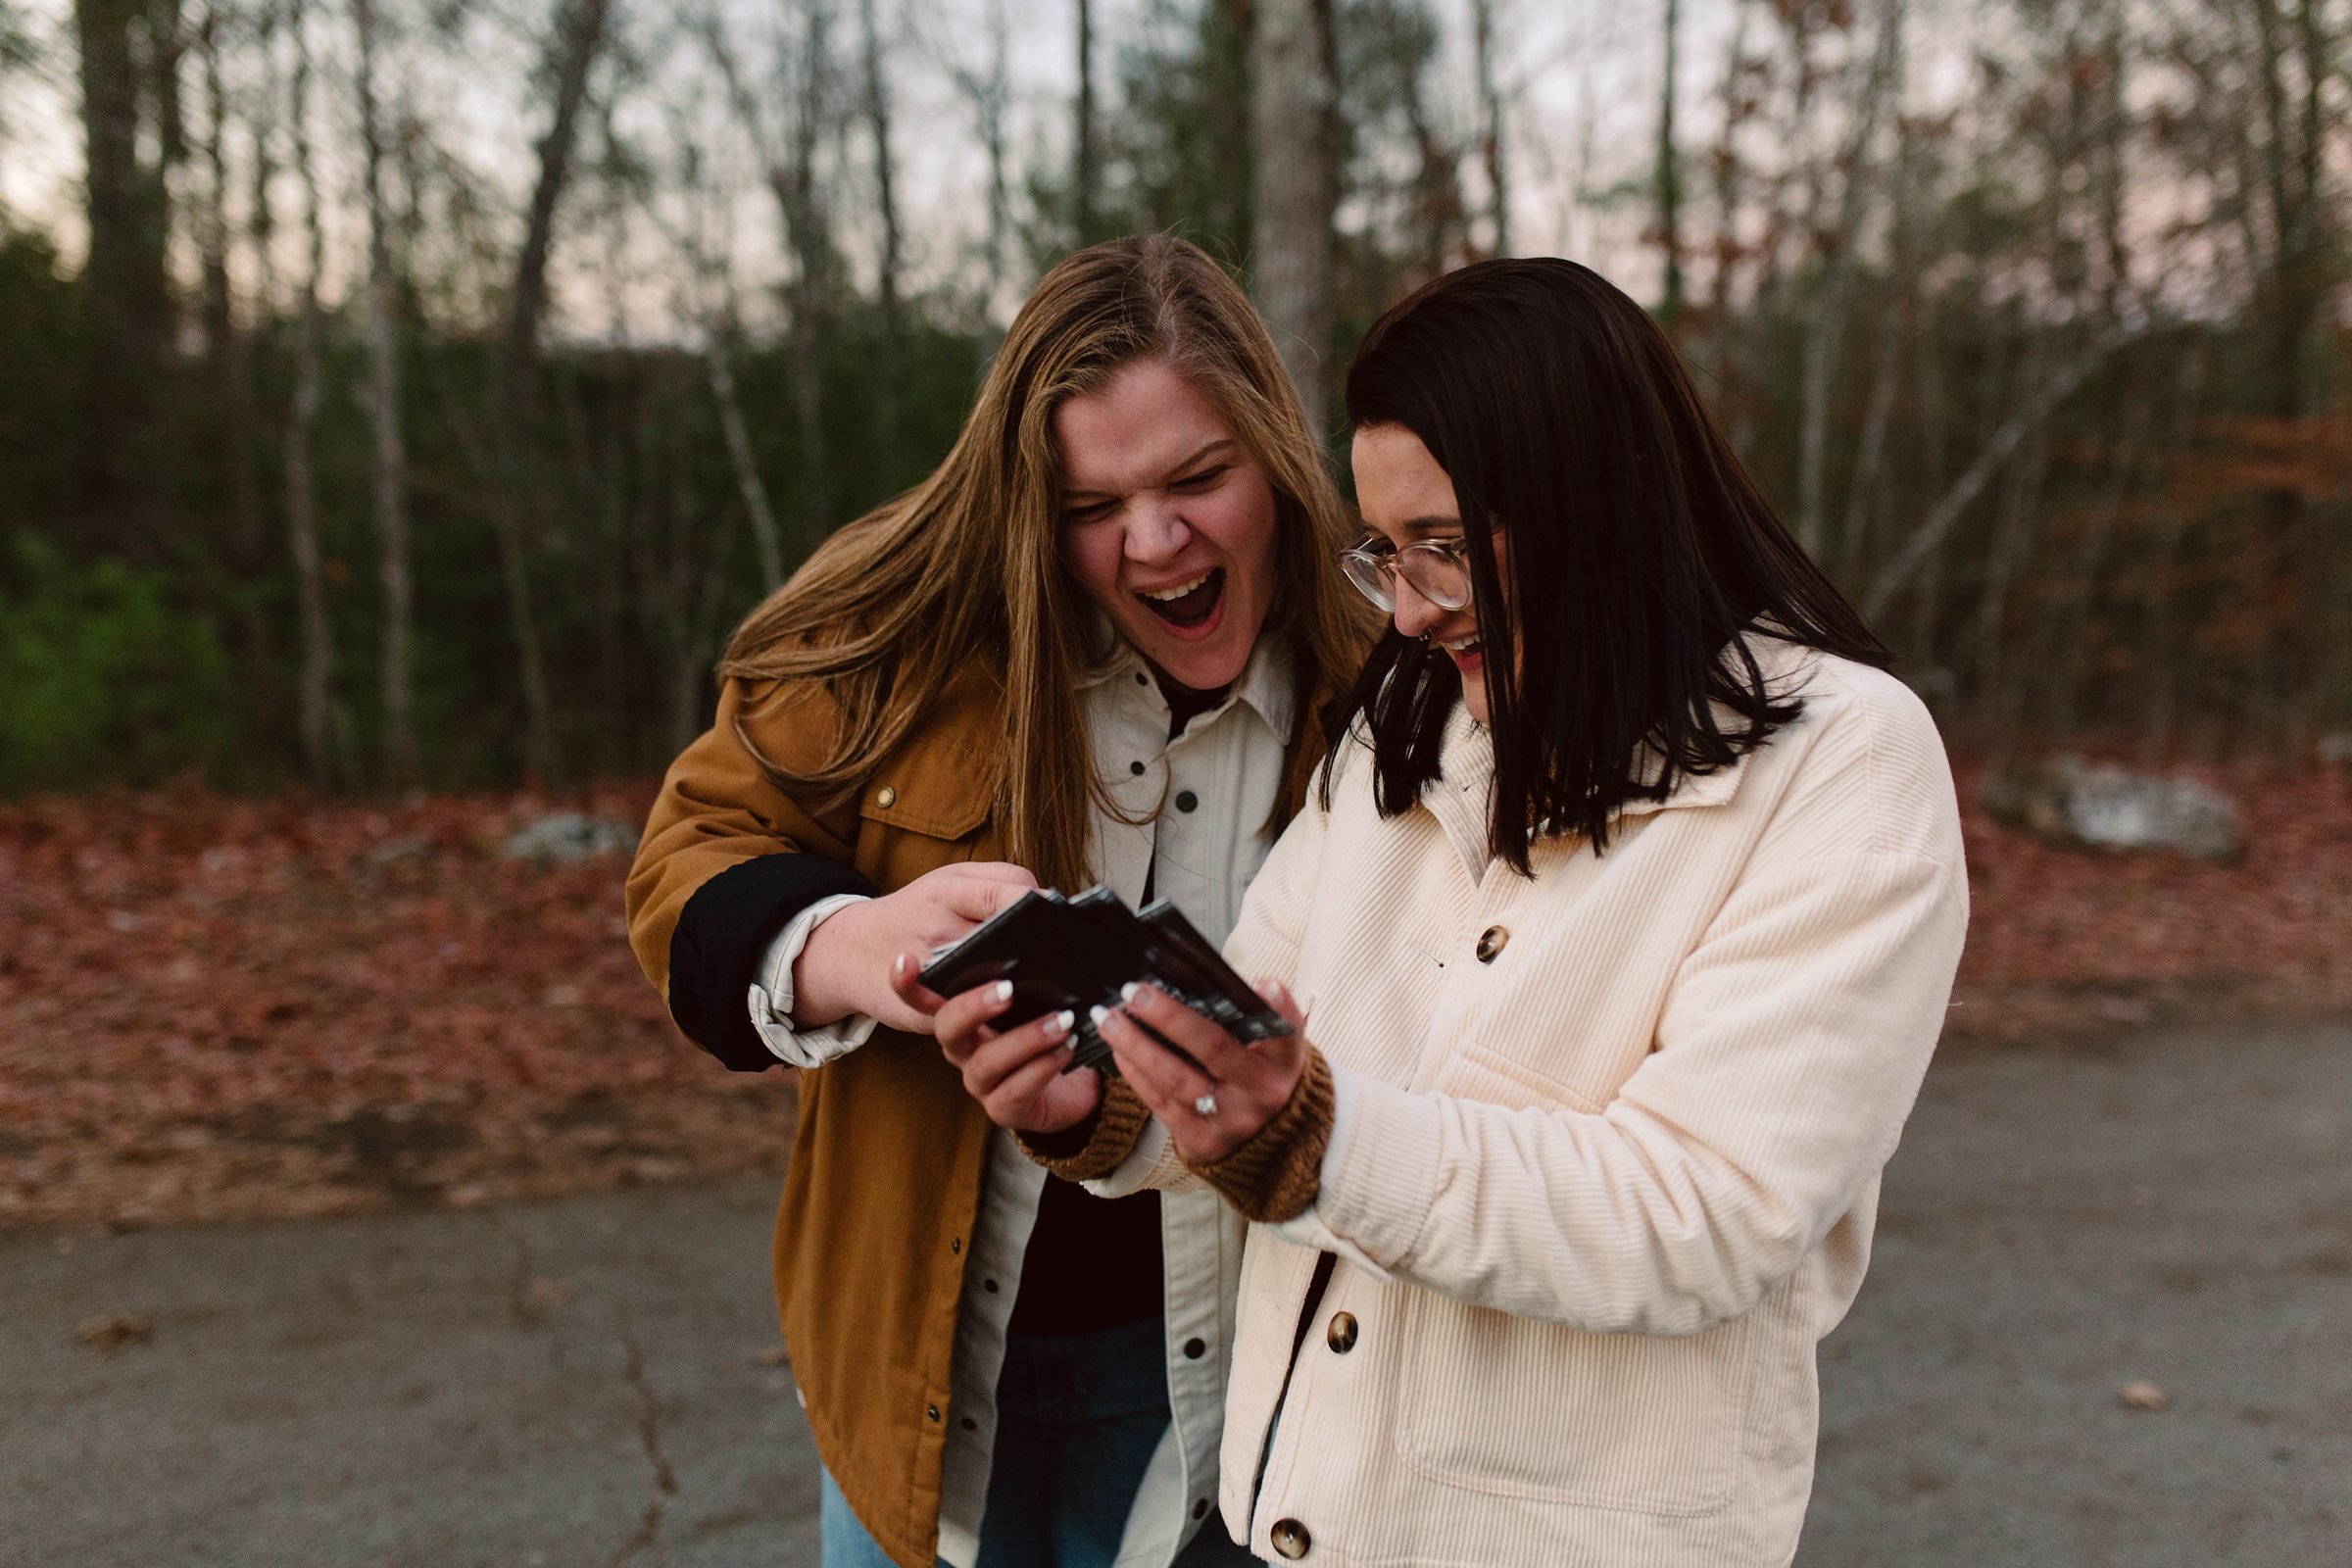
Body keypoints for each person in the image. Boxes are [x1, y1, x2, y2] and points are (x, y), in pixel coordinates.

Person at [915, 257, 1971, 1566]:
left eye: (1448, 550)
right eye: (1389, 551)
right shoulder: (1406, 721)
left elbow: (1708, 1213)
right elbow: (1248, 1033)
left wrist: (1319, 1136)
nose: (1408, 611)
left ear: (1602, 505)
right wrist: (1100, 1100)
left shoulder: (1843, 765)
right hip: (1282, 1516)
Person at [623, 234, 1367, 1568]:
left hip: (1232, 1377)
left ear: (1278, 453)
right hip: (918, 1364)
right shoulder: (908, 623)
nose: (1156, 540)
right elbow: (692, 854)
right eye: (1095, 506)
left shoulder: (1378, 688)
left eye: (1201, 476)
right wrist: (855, 947)